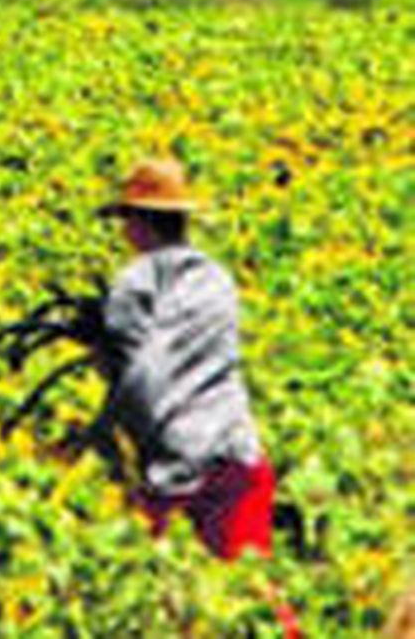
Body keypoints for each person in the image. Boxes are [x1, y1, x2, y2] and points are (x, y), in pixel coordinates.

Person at [93, 155, 299, 632]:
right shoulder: (216, 279)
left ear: (139, 224)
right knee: (255, 595)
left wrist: (107, 420)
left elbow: (141, 378)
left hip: (177, 469)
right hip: (238, 454)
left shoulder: (134, 284)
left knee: (154, 595)